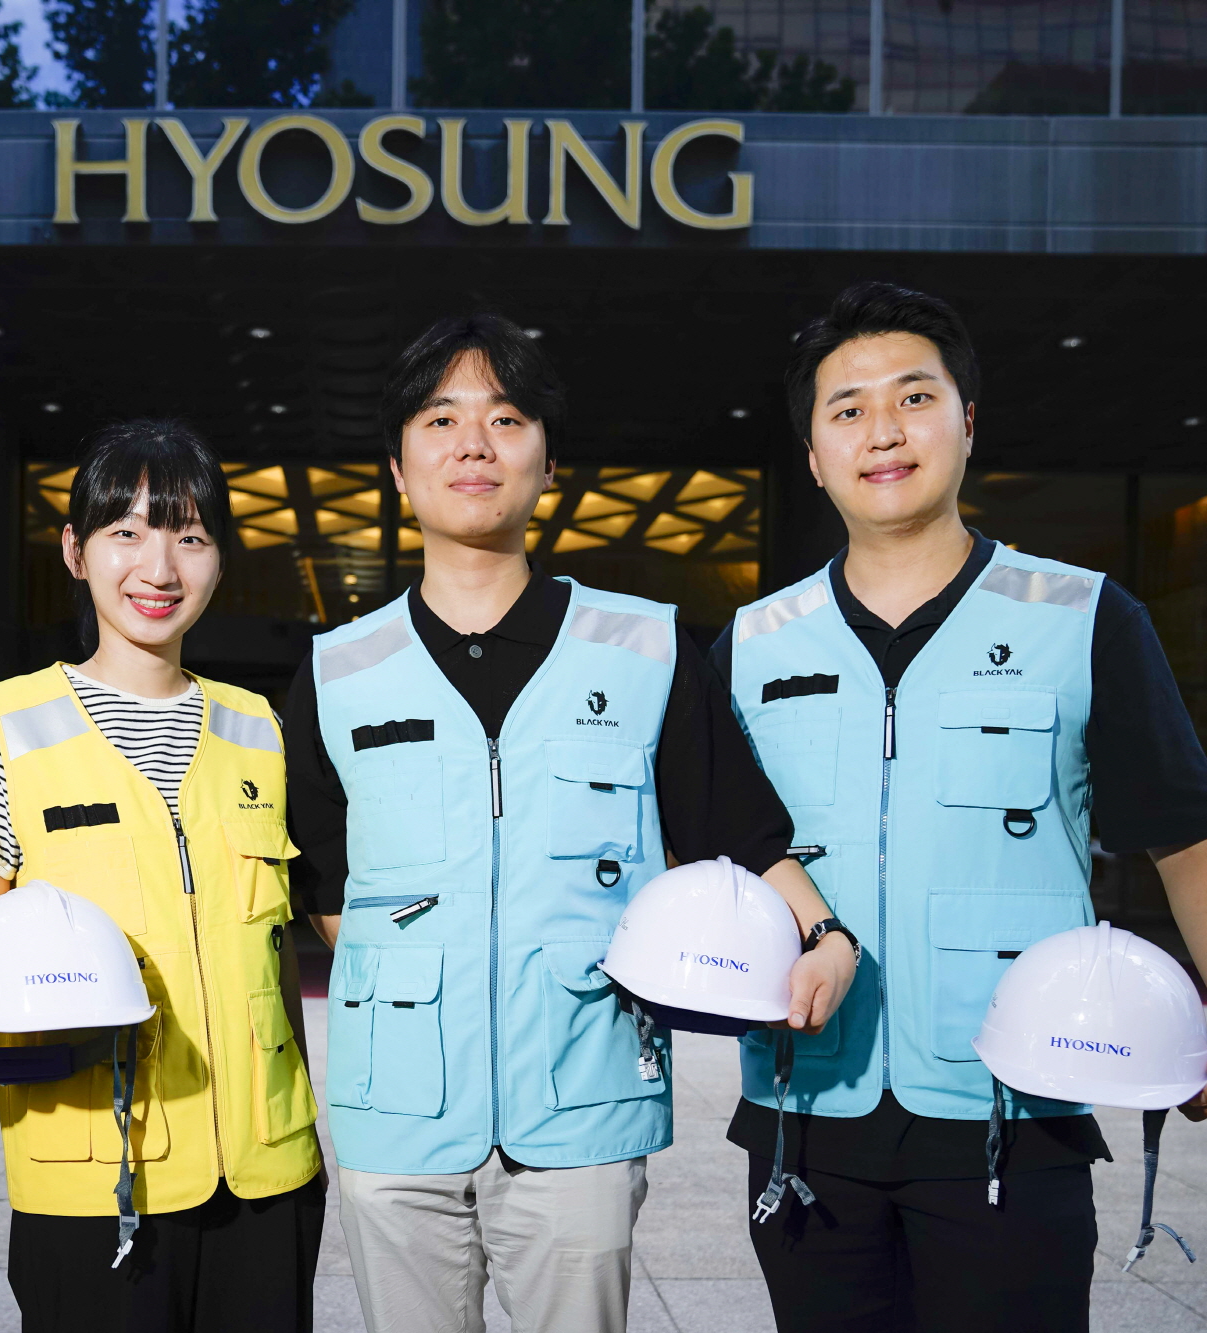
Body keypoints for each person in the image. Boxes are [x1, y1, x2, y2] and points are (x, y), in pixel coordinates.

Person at [713, 281, 1207, 1331]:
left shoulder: (1080, 618)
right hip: (805, 1121)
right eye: (847, 409)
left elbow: (1190, 835)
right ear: (812, 454)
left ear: (967, 421)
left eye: (914, 397)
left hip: (1014, 1112)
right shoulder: (751, 645)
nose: (882, 431)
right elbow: (723, 847)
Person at [282, 313, 859, 1333]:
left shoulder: (643, 649)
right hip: (395, 1117)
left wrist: (823, 930)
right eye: (440, 420)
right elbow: (324, 887)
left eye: (505, 419)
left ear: (547, 464)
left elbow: (736, 829)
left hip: (583, 1103)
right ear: (399, 469)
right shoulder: (337, 671)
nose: (473, 443)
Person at [0, 419, 326, 1333]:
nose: (158, 567)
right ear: (74, 551)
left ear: (219, 559)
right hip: (90, 1177)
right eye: (126, 531)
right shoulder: (5, 722)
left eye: (189, 536)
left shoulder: (260, 728)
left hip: (268, 1172)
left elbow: (278, 951)